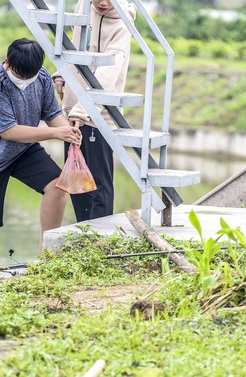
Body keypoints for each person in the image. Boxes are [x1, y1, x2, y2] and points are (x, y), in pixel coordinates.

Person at [0, 38, 82, 280]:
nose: (25, 80)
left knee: (57, 186)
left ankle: (47, 260)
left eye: (31, 75)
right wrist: (55, 133)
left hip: (21, 150)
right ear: (7, 63)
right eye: (20, 74)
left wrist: (67, 131)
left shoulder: (42, 76)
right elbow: (8, 131)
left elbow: (51, 113)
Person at [52, 0, 136, 222]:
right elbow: (76, 45)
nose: (101, 3)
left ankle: (101, 238)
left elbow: (108, 74)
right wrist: (61, 73)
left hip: (97, 116)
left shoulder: (122, 24)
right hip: (73, 112)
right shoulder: (84, 6)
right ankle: (84, 231)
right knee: (76, 181)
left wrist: (83, 111)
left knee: (98, 184)